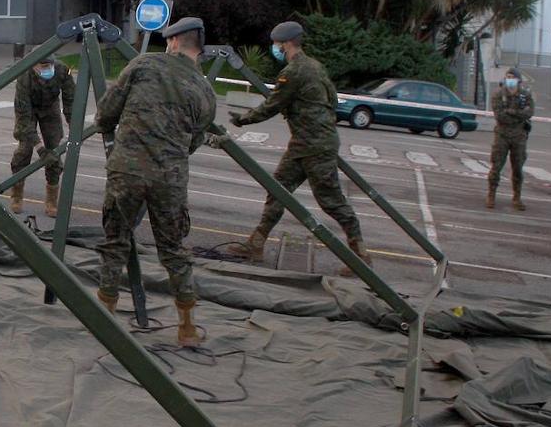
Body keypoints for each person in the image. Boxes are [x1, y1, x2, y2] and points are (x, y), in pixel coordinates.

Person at [95, 17, 216, 346]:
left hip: (127, 171)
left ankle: (104, 315)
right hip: (170, 178)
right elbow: (195, 139)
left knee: (115, 241)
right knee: (174, 251)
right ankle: (187, 327)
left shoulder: (143, 65)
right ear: (198, 48)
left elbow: (105, 114)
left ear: (174, 41)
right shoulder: (205, 90)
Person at [227, 21, 371, 274]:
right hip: (306, 144)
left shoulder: (293, 72)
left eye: (276, 44)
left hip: (314, 146)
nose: (275, 48)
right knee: (278, 189)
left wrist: (242, 119)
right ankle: (256, 244)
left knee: (331, 201)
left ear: (285, 44)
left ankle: (360, 254)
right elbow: (333, 100)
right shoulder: (316, 66)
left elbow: (272, 105)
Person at [9, 54, 75, 217]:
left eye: (49, 65)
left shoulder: (63, 70)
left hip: (50, 108)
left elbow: (71, 100)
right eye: (43, 66)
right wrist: (39, 148)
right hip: (29, 110)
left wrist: (74, 125)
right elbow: (24, 119)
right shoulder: (24, 77)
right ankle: (16, 195)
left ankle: (52, 200)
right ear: (34, 66)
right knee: (24, 150)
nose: (47, 69)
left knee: (54, 152)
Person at [487, 66, 534, 210]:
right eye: (508, 77)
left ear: (519, 80)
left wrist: (511, 112)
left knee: (518, 168)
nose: (510, 80)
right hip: (502, 135)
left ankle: (517, 198)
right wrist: (517, 115)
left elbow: (529, 112)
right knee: (496, 166)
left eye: (513, 77)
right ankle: (491, 195)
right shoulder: (498, 94)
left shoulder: (525, 95)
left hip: (519, 137)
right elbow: (499, 115)